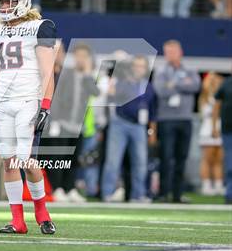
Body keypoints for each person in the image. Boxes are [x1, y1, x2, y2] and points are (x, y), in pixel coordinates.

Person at [0, 0, 56, 234]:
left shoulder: (40, 27)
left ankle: (41, 211)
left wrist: (45, 106)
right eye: (1, 2)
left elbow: (48, 72)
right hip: (2, 102)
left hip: (28, 100)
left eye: (9, 2)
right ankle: (17, 220)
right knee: (8, 161)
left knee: (26, 161)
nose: (4, 7)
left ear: (22, 2)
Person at [46, 43, 100, 203]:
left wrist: (88, 72)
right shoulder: (66, 73)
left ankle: (70, 188)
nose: (81, 59)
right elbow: (56, 97)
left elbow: (95, 92)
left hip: (78, 125)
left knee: (74, 159)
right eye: (79, 56)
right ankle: (57, 188)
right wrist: (55, 120)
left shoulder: (87, 76)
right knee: (58, 158)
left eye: (85, 56)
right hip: (62, 123)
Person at [101, 55, 157, 203]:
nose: (139, 69)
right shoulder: (122, 82)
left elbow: (152, 112)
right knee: (113, 160)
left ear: (146, 69)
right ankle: (108, 193)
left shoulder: (149, 86)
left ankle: (138, 195)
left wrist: (152, 131)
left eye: (142, 66)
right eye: (136, 65)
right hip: (120, 123)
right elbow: (110, 98)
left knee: (141, 161)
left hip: (139, 126)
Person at [153, 40, 201, 203]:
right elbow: (161, 90)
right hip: (166, 119)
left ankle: (177, 194)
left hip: (185, 119)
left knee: (182, 157)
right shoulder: (161, 71)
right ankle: (163, 193)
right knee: (166, 157)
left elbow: (195, 85)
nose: (170, 55)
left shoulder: (190, 69)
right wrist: (182, 84)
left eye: (173, 51)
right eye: (167, 52)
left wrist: (173, 83)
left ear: (180, 52)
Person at [198, 73, 224, 196]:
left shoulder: (223, 96)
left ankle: (219, 185)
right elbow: (205, 113)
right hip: (207, 130)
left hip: (221, 129)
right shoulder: (205, 97)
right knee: (207, 159)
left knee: (219, 160)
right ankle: (206, 185)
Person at [213, 72, 232, 204]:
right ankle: (229, 194)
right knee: (230, 163)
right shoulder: (226, 83)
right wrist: (214, 125)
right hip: (228, 129)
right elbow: (217, 105)